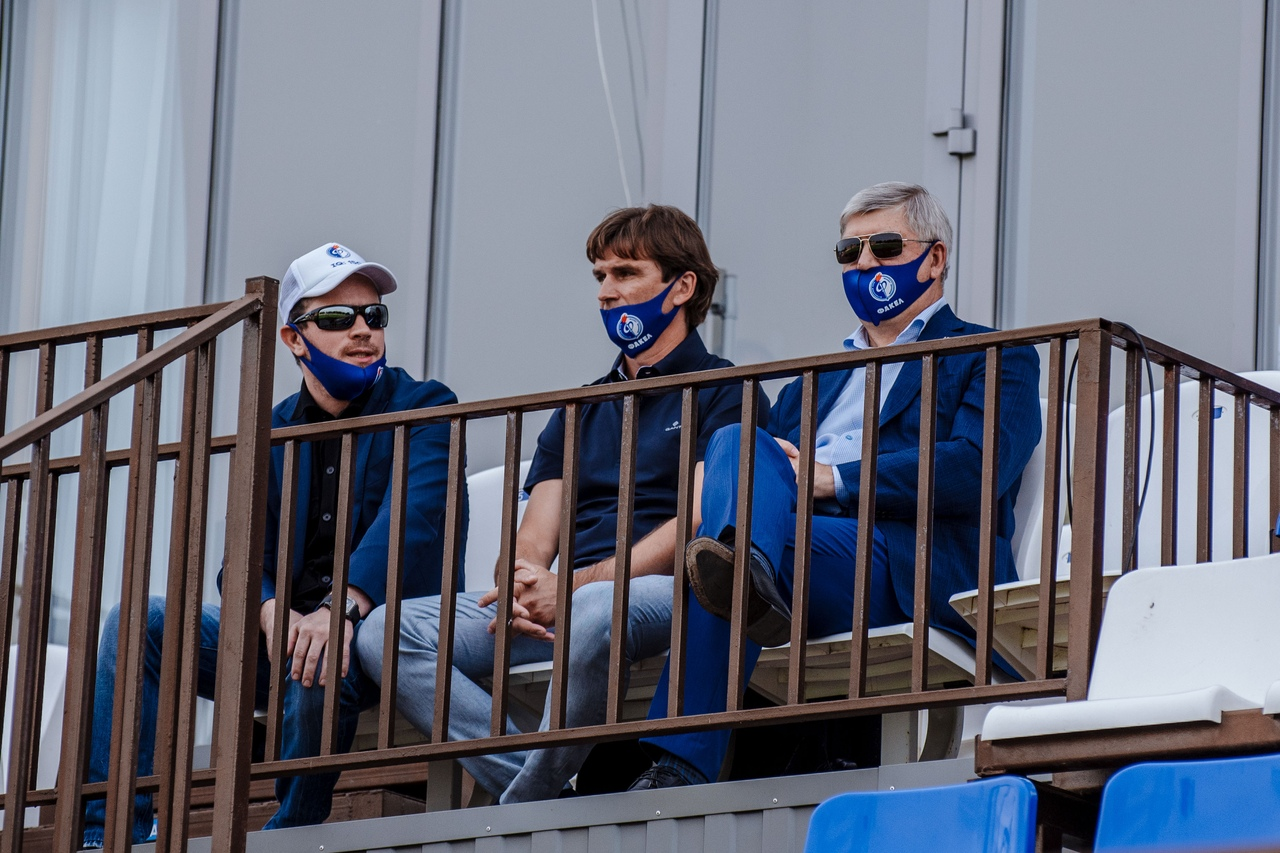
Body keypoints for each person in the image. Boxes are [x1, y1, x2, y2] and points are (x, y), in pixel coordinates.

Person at [627, 182, 1043, 790]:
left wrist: (834, 480)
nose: (865, 263)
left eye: (885, 246)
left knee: (727, 556)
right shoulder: (808, 385)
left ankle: (682, 761)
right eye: (851, 252)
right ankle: (747, 571)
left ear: (935, 258)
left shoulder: (989, 355)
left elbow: (977, 467)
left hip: (906, 559)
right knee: (737, 444)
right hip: (803, 553)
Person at [356, 205, 767, 802]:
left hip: (668, 593)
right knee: (384, 631)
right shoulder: (581, 408)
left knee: (596, 605)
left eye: (625, 273)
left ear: (682, 287)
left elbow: (702, 519)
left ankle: (526, 802)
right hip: (569, 604)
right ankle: (541, 790)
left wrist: (570, 588)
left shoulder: (726, 391)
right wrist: (521, 583)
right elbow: (534, 535)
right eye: (600, 276)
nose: (606, 292)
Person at [83, 242, 462, 845]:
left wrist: (338, 610)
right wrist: (269, 611)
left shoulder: (428, 405)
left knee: (320, 648)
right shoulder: (273, 427)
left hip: (387, 634)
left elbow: (412, 521)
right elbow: (242, 556)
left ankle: (287, 835)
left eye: (374, 315)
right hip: (286, 640)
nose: (362, 330)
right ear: (293, 338)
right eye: (337, 318)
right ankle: (108, 834)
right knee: (137, 622)